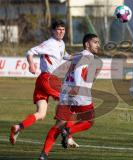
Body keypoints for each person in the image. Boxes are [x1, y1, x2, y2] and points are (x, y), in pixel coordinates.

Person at [10, 19, 79, 147]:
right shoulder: (49, 43)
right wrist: (31, 64)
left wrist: (80, 56)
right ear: (53, 31)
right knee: (73, 103)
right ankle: (68, 136)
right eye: (58, 29)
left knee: (41, 114)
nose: (61, 32)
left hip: (42, 81)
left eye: (63, 30)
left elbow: (65, 56)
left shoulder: (61, 43)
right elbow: (30, 52)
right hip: (49, 79)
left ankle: (18, 127)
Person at [38, 33, 102, 160]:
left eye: (98, 42)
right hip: (79, 94)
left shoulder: (79, 55)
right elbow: (79, 71)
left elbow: (67, 58)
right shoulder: (88, 56)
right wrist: (78, 87)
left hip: (65, 92)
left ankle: (43, 154)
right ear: (87, 44)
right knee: (89, 121)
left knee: (59, 124)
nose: (98, 45)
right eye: (95, 42)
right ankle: (69, 131)